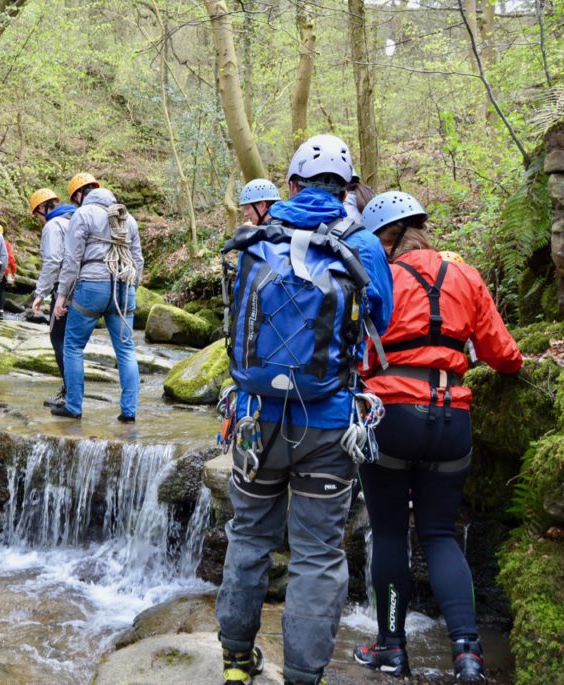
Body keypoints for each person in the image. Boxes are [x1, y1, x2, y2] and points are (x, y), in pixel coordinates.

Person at [215, 135, 393, 685]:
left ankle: (237, 663)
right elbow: (379, 322)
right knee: (317, 556)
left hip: (254, 421)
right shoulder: (361, 243)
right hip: (329, 423)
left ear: (290, 185)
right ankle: (302, 676)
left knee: (249, 539)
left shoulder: (253, 239)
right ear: (347, 190)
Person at [352, 191, 522, 682]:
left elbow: (355, 353)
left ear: (383, 238)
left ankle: (391, 647)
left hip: (390, 419)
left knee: (388, 533)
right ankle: (468, 655)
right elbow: (503, 354)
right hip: (451, 419)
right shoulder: (465, 276)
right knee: (440, 534)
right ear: (422, 229)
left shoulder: (377, 278)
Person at [53, 172, 143, 423]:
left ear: (80, 195)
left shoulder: (83, 214)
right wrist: (132, 286)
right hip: (124, 286)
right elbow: (138, 261)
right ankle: (129, 411)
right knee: (126, 350)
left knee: (73, 346)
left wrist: (62, 295)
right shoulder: (128, 218)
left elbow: (72, 259)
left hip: (91, 286)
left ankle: (73, 406)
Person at [30, 187, 76, 408]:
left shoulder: (53, 225)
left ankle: (70, 394)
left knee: (58, 339)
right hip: (85, 287)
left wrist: (40, 294)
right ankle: (71, 393)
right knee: (72, 343)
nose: (39, 220)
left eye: (37, 216)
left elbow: (52, 262)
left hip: (64, 290)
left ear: (42, 208)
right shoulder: (75, 220)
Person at [0, 223, 17, 321]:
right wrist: (13, 271)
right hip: (4, 270)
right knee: (1, 291)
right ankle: (1, 311)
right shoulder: (6, 243)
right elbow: (10, 258)